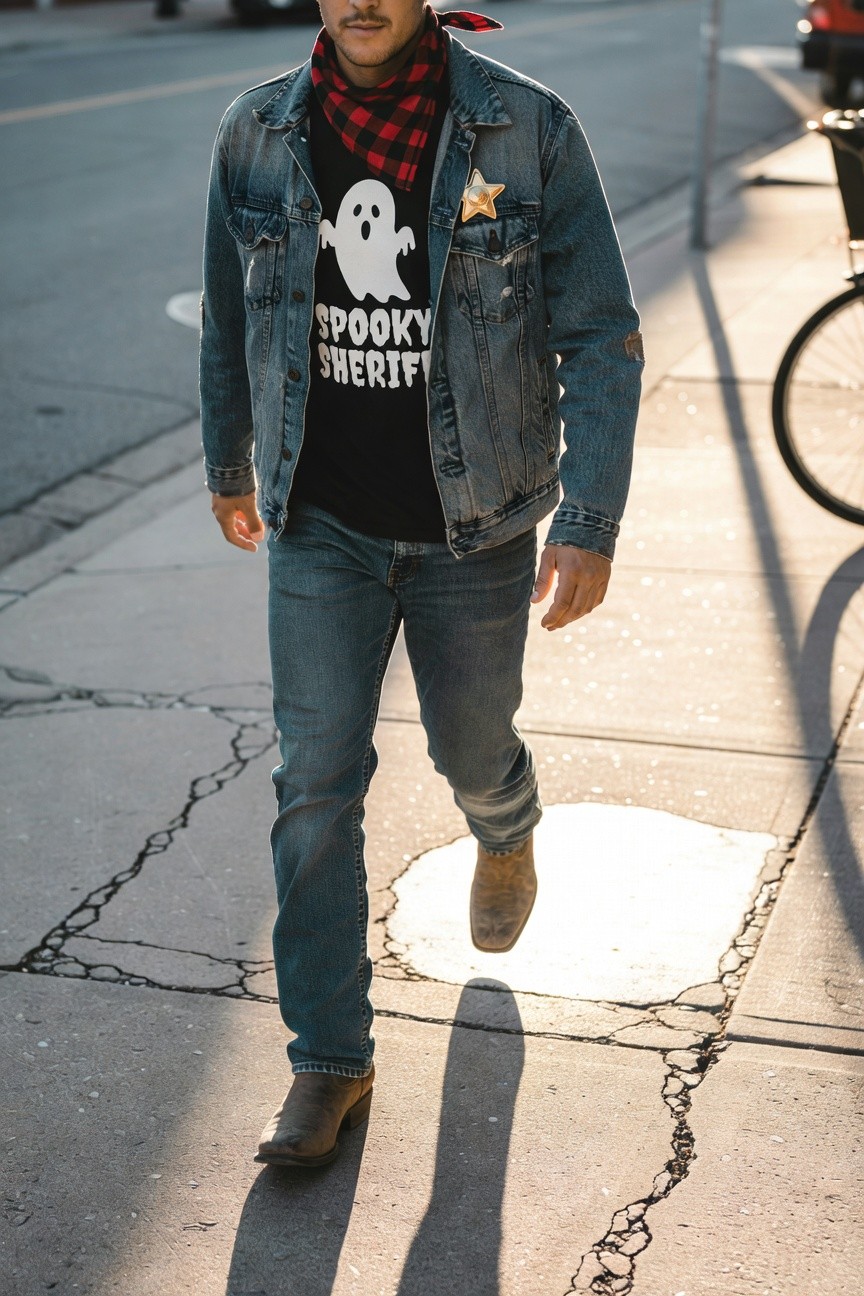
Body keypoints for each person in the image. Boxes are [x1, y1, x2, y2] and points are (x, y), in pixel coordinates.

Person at [200, 0, 643, 1169]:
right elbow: (226, 317)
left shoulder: (526, 130)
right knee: (314, 785)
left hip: (476, 528)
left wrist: (589, 519)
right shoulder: (257, 132)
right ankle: (329, 1063)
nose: (362, 2)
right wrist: (228, 462)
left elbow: (600, 332)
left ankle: (507, 825)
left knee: (470, 747)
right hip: (320, 525)